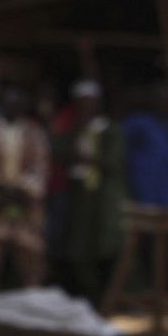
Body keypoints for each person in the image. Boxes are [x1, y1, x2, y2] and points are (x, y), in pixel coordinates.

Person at [0, 87, 49, 293]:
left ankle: (31, 300)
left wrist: (24, 190)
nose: (13, 107)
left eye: (18, 103)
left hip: (25, 202)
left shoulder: (34, 132)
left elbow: (40, 165)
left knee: (30, 257)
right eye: (8, 103)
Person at [57, 80, 125, 303]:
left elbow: (113, 162)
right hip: (80, 196)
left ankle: (109, 297)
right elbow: (59, 153)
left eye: (90, 102)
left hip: (104, 198)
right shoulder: (72, 128)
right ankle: (87, 295)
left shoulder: (108, 129)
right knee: (77, 249)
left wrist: (88, 158)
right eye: (82, 102)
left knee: (107, 246)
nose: (86, 107)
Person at [120, 85, 168, 210]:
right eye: (162, 100)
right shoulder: (139, 122)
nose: (166, 105)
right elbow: (119, 143)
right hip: (145, 184)